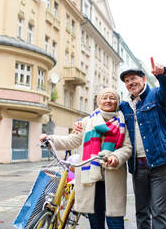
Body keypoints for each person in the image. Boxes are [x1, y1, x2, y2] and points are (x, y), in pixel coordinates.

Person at [40, 88, 132, 229]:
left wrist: (115, 157)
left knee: (115, 220)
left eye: (112, 98)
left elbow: (127, 147)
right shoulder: (87, 121)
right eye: (104, 98)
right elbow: (71, 140)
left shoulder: (123, 122)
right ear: (98, 101)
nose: (108, 100)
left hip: (112, 176)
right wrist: (50, 138)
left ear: (117, 102)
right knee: (95, 221)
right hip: (91, 178)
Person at [118, 57, 166, 229]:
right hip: (138, 167)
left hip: (160, 163)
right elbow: (104, 112)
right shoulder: (125, 106)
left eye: (133, 78)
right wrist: (81, 124)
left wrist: (163, 74)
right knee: (141, 212)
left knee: (159, 213)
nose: (130, 83)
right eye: (127, 81)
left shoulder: (156, 95)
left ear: (143, 80)